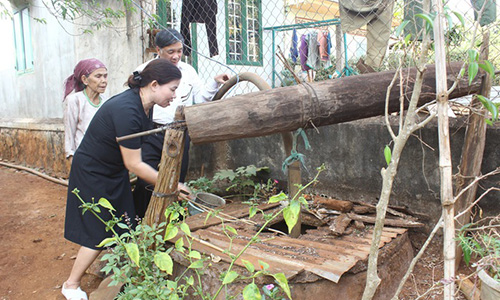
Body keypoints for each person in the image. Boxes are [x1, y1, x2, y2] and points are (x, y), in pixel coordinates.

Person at [61, 59, 184, 300]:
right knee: (99, 230)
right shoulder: (127, 109)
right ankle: (71, 285)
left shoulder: (144, 106)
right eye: (172, 88)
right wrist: (172, 185)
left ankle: (122, 270)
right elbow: (134, 163)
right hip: (93, 172)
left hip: (112, 170)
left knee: (124, 221)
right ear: (155, 84)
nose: (175, 95)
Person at [132, 28, 229, 218]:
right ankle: (139, 220)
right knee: (147, 179)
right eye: (171, 51)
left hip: (179, 132)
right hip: (152, 132)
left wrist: (214, 83)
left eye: (179, 50)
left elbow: (200, 98)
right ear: (158, 50)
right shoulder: (144, 71)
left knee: (177, 177)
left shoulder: (188, 71)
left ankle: (171, 220)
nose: (176, 56)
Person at [63, 59, 108, 164]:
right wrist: (72, 160)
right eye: (98, 76)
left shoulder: (106, 101)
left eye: (105, 76)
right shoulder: (75, 100)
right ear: (85, 80)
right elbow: (70, 133)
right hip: (84, 158)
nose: (104, 81)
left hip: (104, 158)